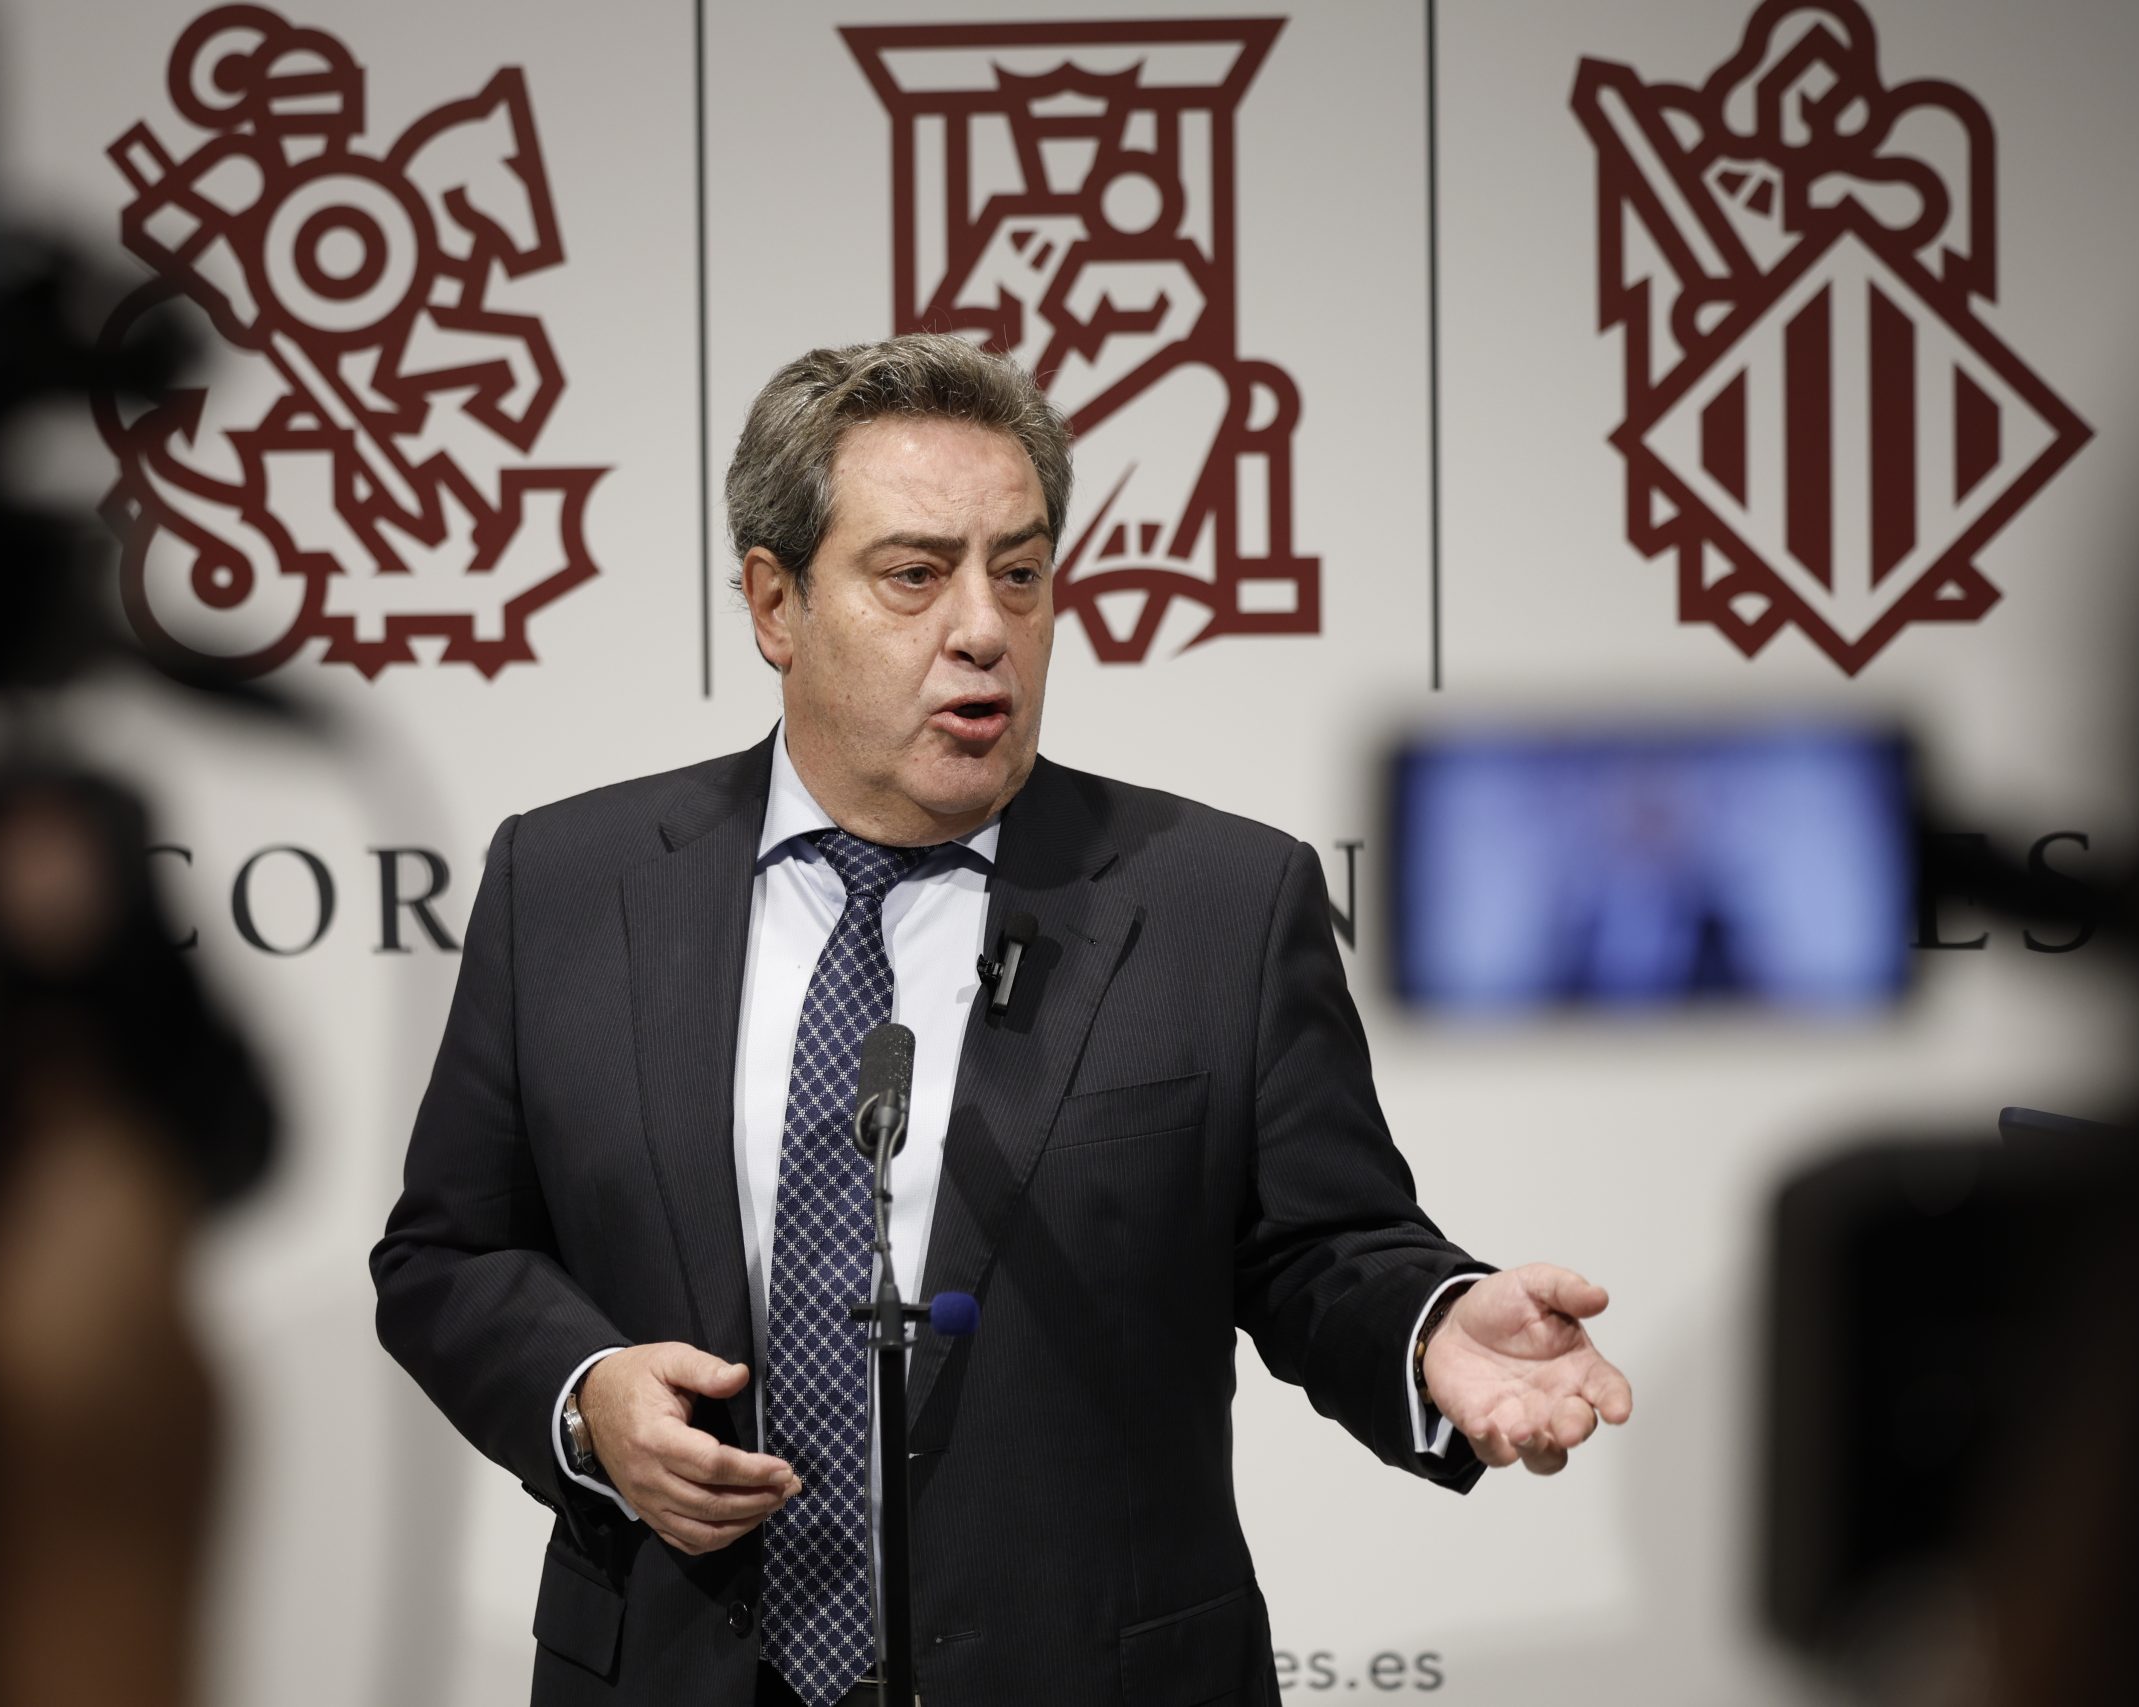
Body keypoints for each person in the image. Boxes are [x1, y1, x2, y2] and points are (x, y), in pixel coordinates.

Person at [370, 335, 1634, 1707]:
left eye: (1020, 574)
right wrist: (587, 1395)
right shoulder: (571, 884)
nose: (984, 628)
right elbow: (449, 1253)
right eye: (915, 574)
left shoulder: (1216, 901)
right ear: (776, 603)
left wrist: (1430, 1329)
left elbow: (1320, 1246)